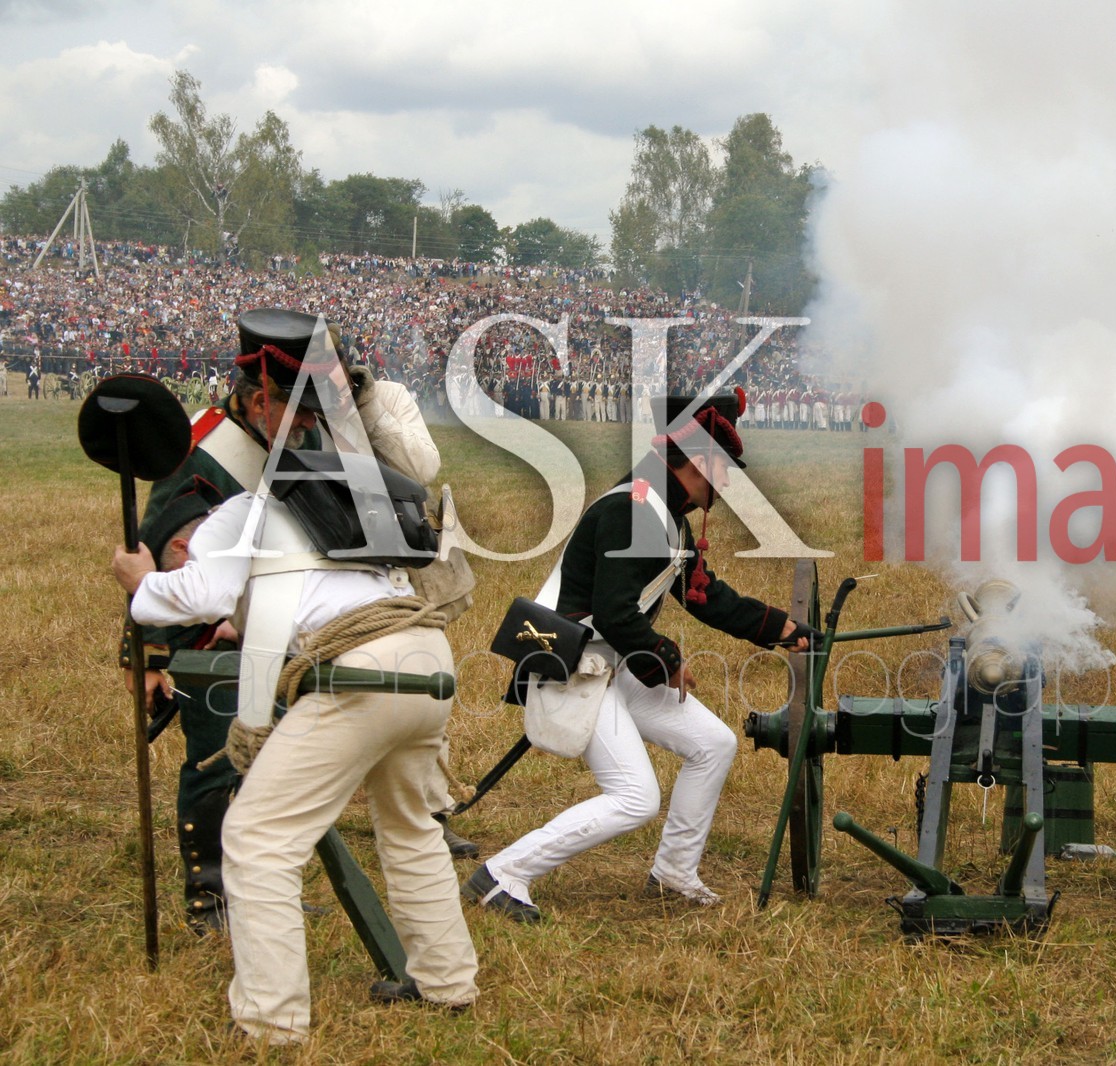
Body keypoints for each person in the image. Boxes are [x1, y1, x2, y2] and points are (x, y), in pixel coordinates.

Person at [111, 439, 479, 1043]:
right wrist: (244, 621)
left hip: (364, 671)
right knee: (411, 824)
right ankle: (447, 981)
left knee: (257, 837)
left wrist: (142, 582)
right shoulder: (325, 512)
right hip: (425, 657)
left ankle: (270, 1021)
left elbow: (201, 594)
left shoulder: (237, 512)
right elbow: (302, 595)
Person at [125, 308, 475, 935]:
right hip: (211, 630)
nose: (314, 423)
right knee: (216, 760)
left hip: (294, 630)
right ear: (262, 399)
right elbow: (162, 550)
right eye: (304, 411)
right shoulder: (201, 449)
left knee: (273, 765)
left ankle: (261, 892)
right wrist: (149, 656)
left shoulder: (306, 441)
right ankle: (211, 898)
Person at [463, 389, 814, 916]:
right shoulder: (633, 511)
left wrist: (782, 628)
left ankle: (674, 872)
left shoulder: (665, 513)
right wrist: (666, 660)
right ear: (697, 462)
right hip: (574, 664)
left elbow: (705, 596)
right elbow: (614, 613)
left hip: (609, 661)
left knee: (714, 744)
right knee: (635, 797)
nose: (725, 481)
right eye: (722, 468)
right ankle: (503, 873)